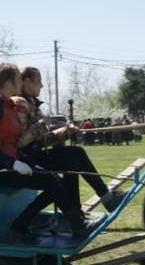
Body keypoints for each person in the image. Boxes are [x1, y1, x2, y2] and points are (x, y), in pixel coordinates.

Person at [0, 63, 101, 239]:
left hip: (12, 163)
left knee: (53, 180)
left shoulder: (10, 105)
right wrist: (14, 164)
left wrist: (24, 160)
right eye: (18, 79)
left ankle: (22, 223)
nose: (21, 82)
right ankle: (77, 224)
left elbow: (15, 141)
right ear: (9, 82)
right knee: (52, 181)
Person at [14, 66, 126, 215]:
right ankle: (76, 214)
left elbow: (42, 138)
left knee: (77, 151)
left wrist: (65, 131)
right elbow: (21, 141)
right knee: (70, 161)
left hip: (35, 153)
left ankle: (105, 198)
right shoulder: (20, 104)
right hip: (26, 159)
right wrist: (42, 125)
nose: (42, 85)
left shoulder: (31, 104)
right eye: (39, 81)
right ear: (27, 81)